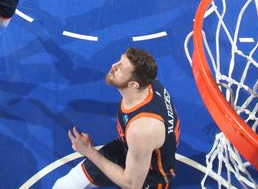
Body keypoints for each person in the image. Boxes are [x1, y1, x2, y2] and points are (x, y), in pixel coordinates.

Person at [53, 48, 179, 189]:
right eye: (119, 60)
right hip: (131, 149)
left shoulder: (141, 129)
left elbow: (132, 185)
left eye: (120, 67)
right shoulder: (145, 85)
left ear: (133, 84)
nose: (113, 65)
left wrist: (89, 150)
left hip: (150, 178)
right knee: (63, 186)